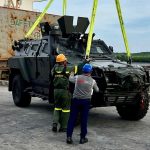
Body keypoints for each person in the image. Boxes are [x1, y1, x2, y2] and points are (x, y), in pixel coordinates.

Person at [66, 63, 99, 144]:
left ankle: (69, 137)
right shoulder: (92, 81)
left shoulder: (77, 78)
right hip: (85, 102)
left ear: (83, 70)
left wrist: (72, 72)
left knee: (72, 119)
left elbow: (70, 79)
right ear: (91, 71)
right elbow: (97, 90)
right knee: (83, 120)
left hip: (75, 101)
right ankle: (82, 138)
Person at [52, 54, 74, 132]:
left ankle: (55, 123)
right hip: (65, 91)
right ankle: (63, 127)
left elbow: (52, 74)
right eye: (65, 60)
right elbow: (76, 68)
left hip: (56, 91)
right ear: (63, 61)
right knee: (66, 109)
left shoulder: (54, 68)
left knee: (57, 108)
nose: (66, 61)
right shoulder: (68, 68)